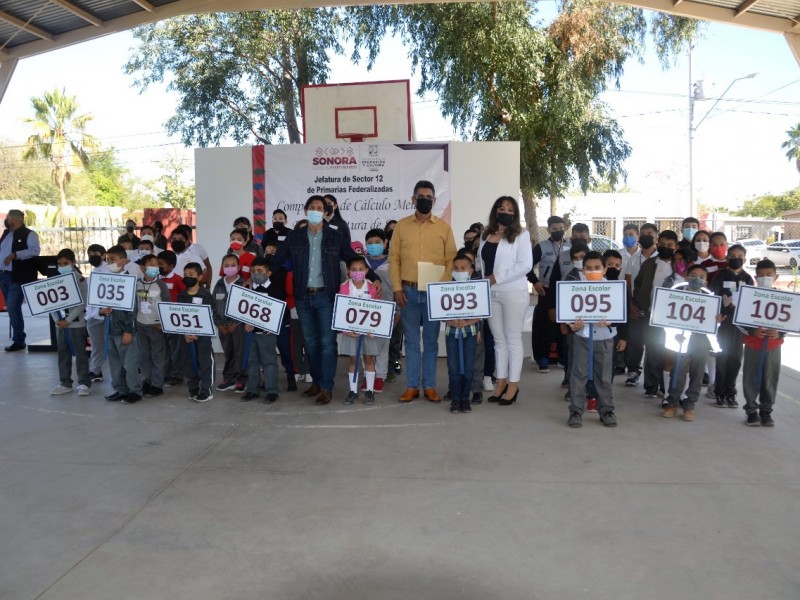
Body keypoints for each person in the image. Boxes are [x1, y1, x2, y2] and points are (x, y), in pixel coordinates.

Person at [271, 195, 375, 405]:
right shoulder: (295, 237)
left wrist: (374, 277)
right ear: (305, 210)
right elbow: (278, 260)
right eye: (312, 207)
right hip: (303, 297)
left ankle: (326, 386)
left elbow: (351, 258)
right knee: (310, 343)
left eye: (320, 208)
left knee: (327, 343)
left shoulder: (335, 237)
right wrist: (258, 277)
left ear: (326, 212)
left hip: (326, 297)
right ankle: (316, 382)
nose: (316, 210)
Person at [389, 180, 457, 403]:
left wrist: (441, 288)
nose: (425, 200)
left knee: (430, 342)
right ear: (413, 199)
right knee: (410, 343)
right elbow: (394, 258)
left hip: (433, 293)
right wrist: (397, 288)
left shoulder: (444, 228)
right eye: (421, 196)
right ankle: (411, 386)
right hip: (407, 290)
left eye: (429, 197)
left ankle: (429, 386)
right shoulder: (401, 226)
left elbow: (451, 260)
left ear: (435, 200)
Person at [477, 196, 533, 406]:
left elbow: (525, 264)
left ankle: (513, 384)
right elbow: (481, 262)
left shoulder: (521, 235)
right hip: (490, 293)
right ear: (496, 211)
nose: (506, 212)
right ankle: (500, 381)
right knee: (499, 340)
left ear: (515, 213)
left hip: (513, 293)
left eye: (510, 209)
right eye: (502, 208)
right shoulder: (486, 234)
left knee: (513, 339)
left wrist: (495, 278)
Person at [566, 251, 623, 429]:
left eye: (597, 268)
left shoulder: (612, 289)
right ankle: (576, 411)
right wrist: (572, 325)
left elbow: (618, 313)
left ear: (605, 269)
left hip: (605, 338)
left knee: (604, 376)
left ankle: (606, 410)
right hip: (582, 337)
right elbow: (569, 314)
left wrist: (610, 320)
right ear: (582, 270)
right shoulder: (575, 289)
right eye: (588, 268)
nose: (593, 271)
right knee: (578, 374)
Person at [661, 265, 718, 422]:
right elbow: (666, 317)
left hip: (702, 340)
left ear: (706, 281)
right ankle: (672, 403)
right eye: (693, 275)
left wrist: (717, 321)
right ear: (686, 277)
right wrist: (674, 334)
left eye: (701, 276)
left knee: (697, 374)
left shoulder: (711, 299)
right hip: (681, 338)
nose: (697, 279)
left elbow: (714, 325)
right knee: (678, 371)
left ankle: (689, 406)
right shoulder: (676, 295)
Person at [633, 230, 680, 399]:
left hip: (675, 318)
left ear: (676, 247)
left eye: (670, 246)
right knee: (653, 350)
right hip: (652, 314)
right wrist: (640, 302)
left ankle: (670, 387)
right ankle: (652, 386)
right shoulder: (649, 264)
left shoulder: (679, 265)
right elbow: (638, 284)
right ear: (657, 243)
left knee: (671, 351)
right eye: (662, 244)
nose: (666, 248)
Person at [710, 243, 753, 409]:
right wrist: (720, 308)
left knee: (735, 359)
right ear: (727, 258)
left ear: (745, 259)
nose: (736, 259)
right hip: (723, 324)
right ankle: (719, 392)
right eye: (733, 256)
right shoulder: (721, 275)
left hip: (738, 326)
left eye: (739, 257)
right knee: (722, 358)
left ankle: (730, 392)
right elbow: (713, 296)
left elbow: (751, 301)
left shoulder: (747, 278)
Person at [742, 260, 783, 427]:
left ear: (776, 276)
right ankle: (751, 411)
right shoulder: (749, 296)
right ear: (755, 277)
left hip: (774, 345)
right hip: (753, 344)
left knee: (770, 378)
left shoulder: (783, 298)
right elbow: (740, 321)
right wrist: (753, 331)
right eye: (761, 275)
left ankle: (766, 411)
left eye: (769, 275)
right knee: (751, 378)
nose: (765, 278)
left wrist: (779, 332)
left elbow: (791, 320)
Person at [101, 246, 142, 404]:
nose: (109, 263)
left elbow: (133, 309)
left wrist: (128, 331)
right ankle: (120, 389)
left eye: (112, 260)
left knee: (130, 363)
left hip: (124, 330)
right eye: (107, 260)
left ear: (123, 261)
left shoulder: (130, 281)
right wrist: (102, 311)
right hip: (110, 328)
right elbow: (102, 303)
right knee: (115, 363)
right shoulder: (106, 281)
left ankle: (135, 391)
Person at [339, 255, 382, 405]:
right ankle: (353, 391)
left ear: (367, 270)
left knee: (369, 358)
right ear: (349, 272)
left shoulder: (371, 287)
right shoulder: (344, 287)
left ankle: (369, 391)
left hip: (369, 332)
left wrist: (373, 329)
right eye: (354, 270)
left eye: (361, 269)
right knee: (353, 360)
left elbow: (376, 310)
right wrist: (347, 331)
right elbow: (341, 312)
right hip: (351, 332)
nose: (357, 272)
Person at [241, 257, 285, 403]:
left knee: (269, 362)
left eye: (260, 271)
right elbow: (243, 308)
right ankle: (253, 389)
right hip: (251, 333)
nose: (256, 274)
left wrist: (272, 326)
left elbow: (280, 310)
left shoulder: (276, 288)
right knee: (252, 362)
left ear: (268, 273)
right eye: (253, 271)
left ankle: (272, 391)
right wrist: (245, 323)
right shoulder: (248, 288)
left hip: (267, 333)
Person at [528, 215, 569, 373]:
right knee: (544, 324)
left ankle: (563, 357)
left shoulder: (570, 245)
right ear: (548, 230)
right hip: (546, 289)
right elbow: (527, 265)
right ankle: (542, 358)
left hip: (565, 291)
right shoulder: (541, 247)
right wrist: (535, 282)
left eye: (561, 229)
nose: (558, 232)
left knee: (565, 324)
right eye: (554, 229)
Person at [49, 249, 91, 397]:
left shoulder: (80, 280)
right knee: (62, 353)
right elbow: (50, 303)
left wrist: (68, 320)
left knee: (80, 354)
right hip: (60, 325)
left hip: (75, 324)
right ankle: (65, 382)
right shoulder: (55, 280)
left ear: (73, 263)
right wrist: (57, 320)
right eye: (59, 264)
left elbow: (82, 304)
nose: (62, 266)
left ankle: (84, 383)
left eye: (66, 263)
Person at [445, 253, 481, 414]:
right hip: (451, 332)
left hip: (470, 332)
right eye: (456, 268)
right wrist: (450, 321)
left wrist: (468, 322)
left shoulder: (477, 288)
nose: (459, 271)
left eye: (463, 268)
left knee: (468, 368)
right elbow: (440, 312)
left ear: (471, 270)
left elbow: (482, 312)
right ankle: (455, 399)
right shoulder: (445, 288)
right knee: (453, 368)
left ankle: (465, 399)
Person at [624, 222, 659, 387]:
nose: (646, 235)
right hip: (637, 306)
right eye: (643, 233)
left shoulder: (661, 258)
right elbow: (628, 283)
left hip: (656, 308)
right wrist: (631, 305)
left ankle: (652, 383)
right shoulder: (633, 259)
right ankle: (633, 372)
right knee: (636, 341)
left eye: (650, 233)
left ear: (656, 236)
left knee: (653, 344)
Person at [0, 209, 41, 351]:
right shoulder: (6, 234)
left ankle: (19, 340)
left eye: (9, 218)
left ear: (16, 220)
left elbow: (34, 250)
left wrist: (15, 254)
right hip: (3, 275)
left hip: (18, 276)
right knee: (12, 308)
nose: (7, 221)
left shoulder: (29, 234)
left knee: (12, 306)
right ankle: (18, 338)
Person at [178, 262, 215, 402]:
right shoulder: (182, 295)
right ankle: (193, 389)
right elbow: (179, 316)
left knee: (205, 362)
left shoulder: (206, 295)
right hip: (186, 336)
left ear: (200, 277)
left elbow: (210, 315)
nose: (188, 277)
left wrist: (198, 333)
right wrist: (184, 333)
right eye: (185, 275)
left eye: (191, 275)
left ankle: (206, 390)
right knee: (188, 362)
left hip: (203, 337)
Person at [135, 254, 171, 399]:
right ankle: (146, 382)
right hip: (141, 325)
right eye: (151, 264)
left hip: (156, 326)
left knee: (158, 356)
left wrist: (163, 324)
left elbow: (167, 304)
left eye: (157, 264)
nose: (155, 267)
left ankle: (157, 385)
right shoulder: (137, 283)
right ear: (142, 267)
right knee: (143, 356)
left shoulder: (161, 285)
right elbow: (134, 305)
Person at [364, 228, 394, 394]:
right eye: (370, 243)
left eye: (377, 242)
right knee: (365, 344)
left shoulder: (392, 262)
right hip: (364, 311)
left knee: (383, 344)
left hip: (386, 309)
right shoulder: (360, 263)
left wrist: (397, 311)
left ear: (385, 243)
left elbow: (396, 287)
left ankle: (380, 376)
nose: (373, 245)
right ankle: (367, 375)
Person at [214, 254, 247, 393]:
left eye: (233, 265)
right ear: (222, 268)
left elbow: (247, 307)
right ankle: (228, 379)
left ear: (238, 267)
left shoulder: (244, 283)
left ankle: (241, 379)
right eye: (226, 265)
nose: (230, 268)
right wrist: (219, 324)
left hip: (238, 327)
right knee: (228, 352)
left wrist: (236, 323)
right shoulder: (219, 284)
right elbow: (214, 306)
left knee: (240, 353)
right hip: (223, 327)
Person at [157, 250, 187, 388]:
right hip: (158, 320)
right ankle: (166, 373)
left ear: (171, 266)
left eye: (161, 264)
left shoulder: (178, 279)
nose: (158, 267)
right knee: (163, 349)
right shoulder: (156, 280)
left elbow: (185, 298)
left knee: (175, 348)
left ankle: (177, 375)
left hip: (174, 320)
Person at [85, 244, 107, 382]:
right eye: (90, 254)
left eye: (96, 254)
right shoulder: (92, 273)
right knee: (96, 344)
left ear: (103, 255)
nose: (93, 257)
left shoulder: (109, 271)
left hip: (107, 313)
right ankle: (95, 370)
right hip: (93, 314)